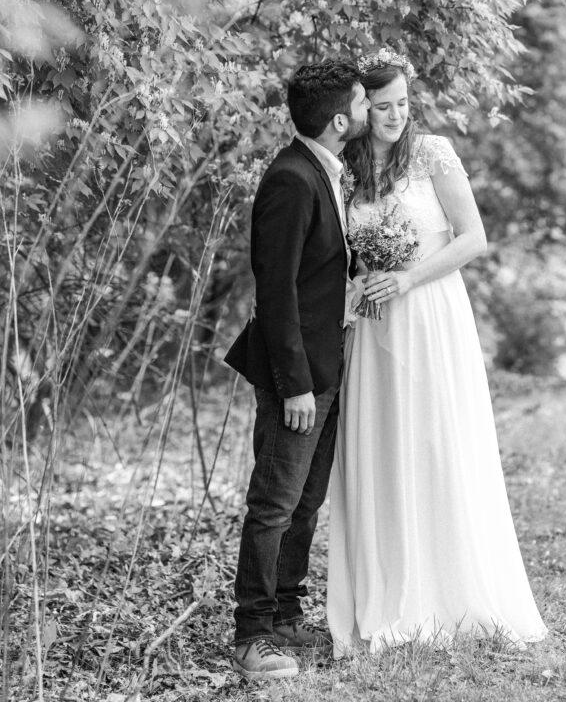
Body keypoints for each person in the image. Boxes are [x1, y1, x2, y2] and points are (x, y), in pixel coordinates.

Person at [326, 48, 548, 656]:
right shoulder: (346, 165)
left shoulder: (435, 154)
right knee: (383, 444)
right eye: (382, 106)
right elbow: (348, 245)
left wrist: (407, 277)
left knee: (436, 439)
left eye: (402, 103)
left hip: (431, 312)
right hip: (372, 323)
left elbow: (473, 238)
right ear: (361, 107)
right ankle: (391, 589)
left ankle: (450, 589)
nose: (396, 115)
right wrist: (365, 273)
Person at [224, 60, 370, 680]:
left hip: (331, 364)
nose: (367, 112)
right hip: (300, 376)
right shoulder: (290, 178)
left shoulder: (329, 171)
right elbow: (276, 291)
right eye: (364, 103)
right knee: (275, 504)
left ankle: (285, 615)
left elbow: (318, 275)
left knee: (306, 502)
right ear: (340, 121)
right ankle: (254, 636)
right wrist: (296, 385)